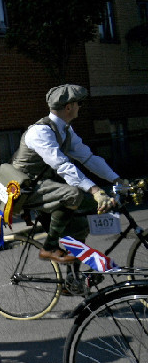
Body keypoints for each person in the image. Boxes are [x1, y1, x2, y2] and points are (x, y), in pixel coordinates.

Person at [12, 84, 126, 263]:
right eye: (79, 103)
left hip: (44, 185)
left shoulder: (65, 130)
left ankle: (73, 276)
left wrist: (117, 179)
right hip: (25, 188)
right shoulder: (40, 132)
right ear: (69, 107)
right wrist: (95, 190)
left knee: (81, 224)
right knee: (73, 194)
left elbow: (88, 158)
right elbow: (62, 166)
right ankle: (49, 247)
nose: (80, 107)